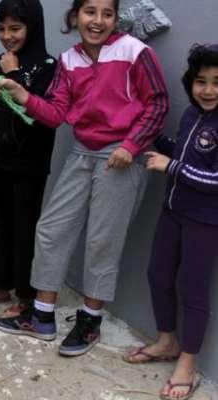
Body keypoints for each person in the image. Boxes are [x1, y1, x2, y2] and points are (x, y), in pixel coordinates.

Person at [0, 0, 169, 357]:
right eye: (90, 12)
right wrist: (21, 93)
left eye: (107, 13)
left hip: (120, 156)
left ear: (116, 18)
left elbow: (158, 104)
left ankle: (89, 321)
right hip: (83, 151)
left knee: (103, 240)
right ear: (75, 17)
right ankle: (41, 317)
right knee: (52, 228)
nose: (98, 21)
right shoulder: (69, 60)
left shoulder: (136, 52)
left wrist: (131, 147)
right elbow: (56, 113)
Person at [123, 43, 218, 400]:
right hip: (173, 211)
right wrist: (154, 140)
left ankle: (188, 365)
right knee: (158, 275)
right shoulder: (193, 115)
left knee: (192, 289)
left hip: (205, 221)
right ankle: (167, 341)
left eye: (216, 82)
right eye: (200, 81)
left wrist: (172, 166)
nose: (207, 90)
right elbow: (181, 151)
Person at [0, 0, 57, 319]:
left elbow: (35, 116)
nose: (7, 36)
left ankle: (25, 295)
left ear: (32, 28)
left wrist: (14, 74)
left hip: (29, 164)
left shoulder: (48, 66)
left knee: (24, 229)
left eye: (15, 28)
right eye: (2, 28)